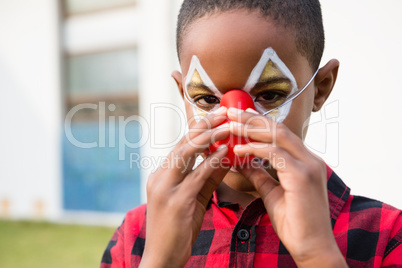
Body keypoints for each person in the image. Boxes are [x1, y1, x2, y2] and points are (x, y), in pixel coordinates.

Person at [101, 0, 402, 267]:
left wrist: (317, 254)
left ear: (320, 88)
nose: (236, 128)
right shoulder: (138, 235)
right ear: (184, 95)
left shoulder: (386, 237)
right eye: (207, 100)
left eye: (270, 95)